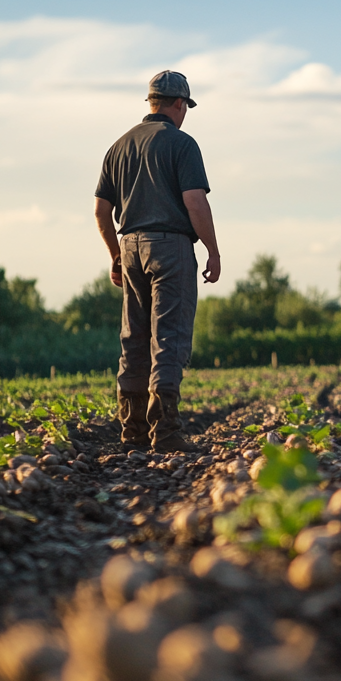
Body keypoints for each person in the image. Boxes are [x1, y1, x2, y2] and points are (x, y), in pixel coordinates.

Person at [93, 70, 221, 453]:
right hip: (170, 247)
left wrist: (116, 256)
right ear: (179, 104)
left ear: (151, 102)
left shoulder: (118, 146)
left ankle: (131, 431)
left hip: (129, 245)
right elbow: (195, 202)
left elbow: (101, 211)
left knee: (133, 338)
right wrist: (213, 251)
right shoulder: (181, 144)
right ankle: (164, 432)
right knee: (169, 337)